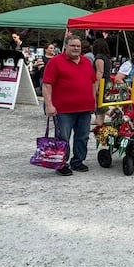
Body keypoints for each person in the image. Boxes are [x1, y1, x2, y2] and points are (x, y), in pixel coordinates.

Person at [42, 35, 97, 176]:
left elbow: (92, 82)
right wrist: (49, 105)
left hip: (85, 108)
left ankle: (78, 161)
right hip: (63, 109)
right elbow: (47, 84)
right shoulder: (55, 62)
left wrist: (94, 101)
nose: (76, 48)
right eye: (73, 46)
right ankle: (61, 164)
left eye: (78, 46)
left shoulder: (86, 62)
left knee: (83, 137)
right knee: (63, 138)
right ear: (65, 47)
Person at [92, 38, 112, 125]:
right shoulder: (107, 58)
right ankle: (99, 121)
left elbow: (100, 71)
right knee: (102, 101)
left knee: (99, 101)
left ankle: (115, 114)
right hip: (108, 81)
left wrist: (96, 85)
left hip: (102, 82)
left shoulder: (99, 57)